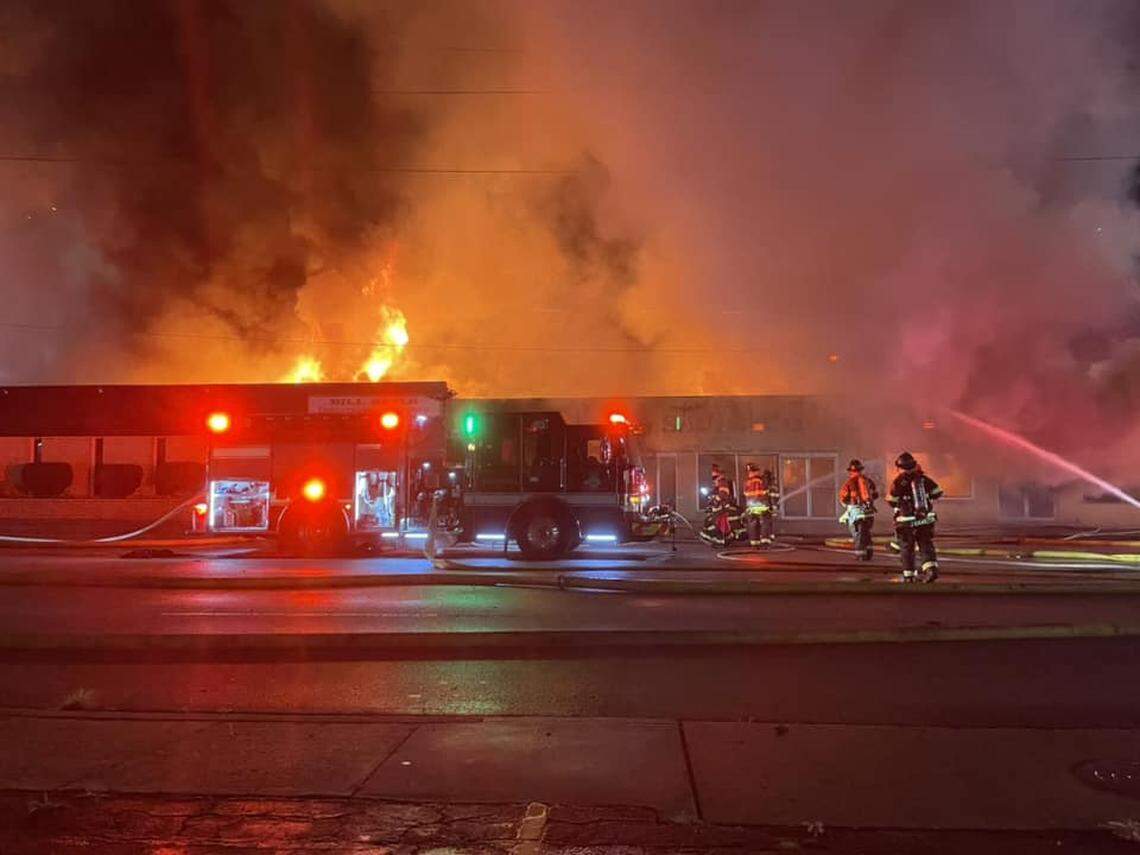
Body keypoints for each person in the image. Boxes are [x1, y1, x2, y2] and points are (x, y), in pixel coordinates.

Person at [886, 451, 943, 582]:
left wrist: (902, 502)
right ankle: (931, 570)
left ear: (900, 467)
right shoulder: (923, 479)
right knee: (925, 544)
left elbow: (891, 501)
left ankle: (909, 576)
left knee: (906, 547)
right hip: (924, 519)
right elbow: (938, 492)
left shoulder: (899, 481)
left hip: (906, 521)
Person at [838, 459, 878, 560]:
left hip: (856, 514)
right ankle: (869, 554)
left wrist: (847, 504)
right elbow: (875, 495)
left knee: (858, 535)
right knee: (867, 534)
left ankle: (860, 555)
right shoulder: (869, 481)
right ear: (861, 470)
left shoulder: (849, 483)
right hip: (869, 514)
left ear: (851, 471)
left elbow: (843, 498)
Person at [699, 475, 744, 547]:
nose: (714, 483)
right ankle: (721, 541)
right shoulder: (719, 488)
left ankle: (720, 542)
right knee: (719, 527)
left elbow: (721, 497)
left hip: (722, 512)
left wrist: (715, 499)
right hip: (721, 512)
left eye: (715, 481)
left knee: (717, 526)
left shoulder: (722, 487)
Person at [743, 463, 780, 545]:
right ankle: (765, 540)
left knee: (753, 523)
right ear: (756, 471)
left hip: (751, 506)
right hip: (762, 505)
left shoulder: (747, 482)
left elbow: (745, 494)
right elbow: (767, 492)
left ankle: (754, 542)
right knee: (765, 521)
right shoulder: (761, 480)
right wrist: (772, 505)